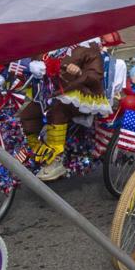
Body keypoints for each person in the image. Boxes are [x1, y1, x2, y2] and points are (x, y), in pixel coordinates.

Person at [18, 38, 108, 181]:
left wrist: (79, 72)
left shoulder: (89, 45)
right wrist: (33, 64)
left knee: (57, 110)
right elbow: (33, 59)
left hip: (80, 94)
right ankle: (40, 153)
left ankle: (56, 159)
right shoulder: (51, 42)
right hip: (50, 92)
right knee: (27, 116)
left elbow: (95, 75)